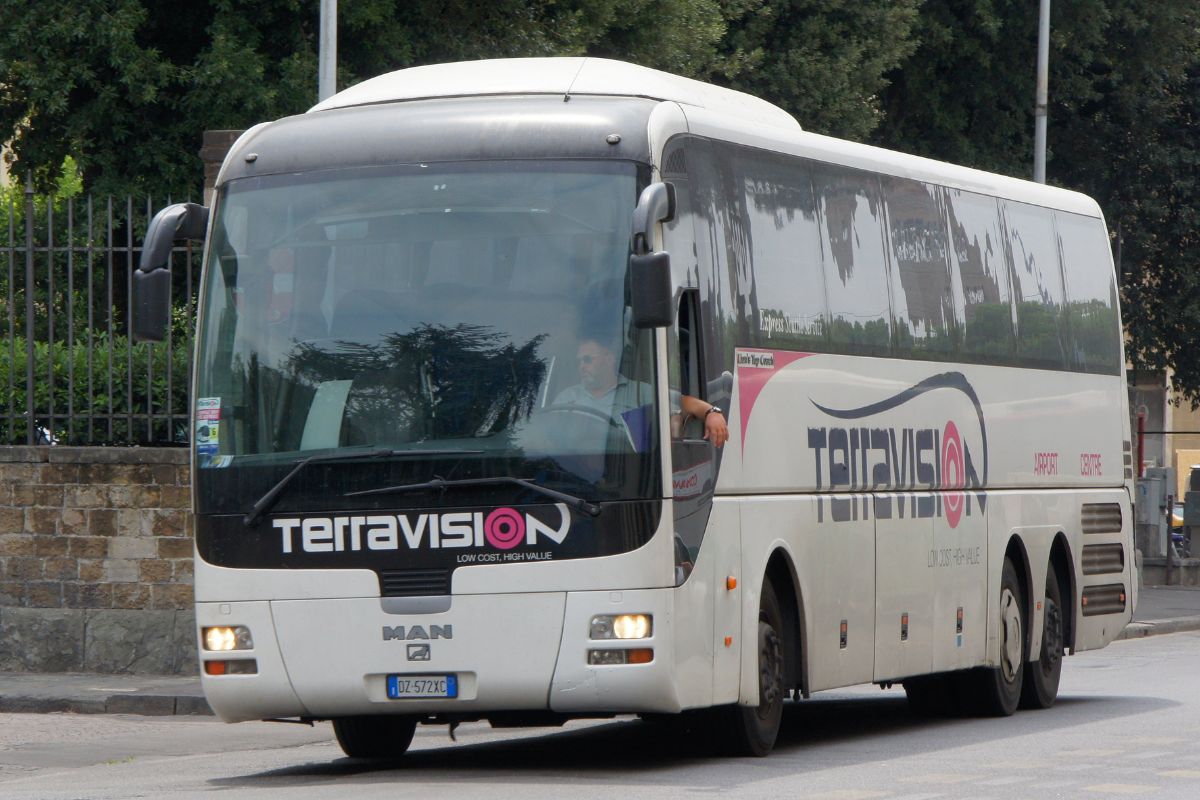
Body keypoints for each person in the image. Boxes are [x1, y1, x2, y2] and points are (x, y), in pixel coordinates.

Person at [553, 338, 728, 448]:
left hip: (626, 476)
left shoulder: (639, 392)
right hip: (572, 481)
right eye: (579, 362)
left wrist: (712, 413)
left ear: (609, 359)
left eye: (588, 359)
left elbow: (684, 402)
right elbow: (548, 438)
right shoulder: (567, 398)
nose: (582, 366)